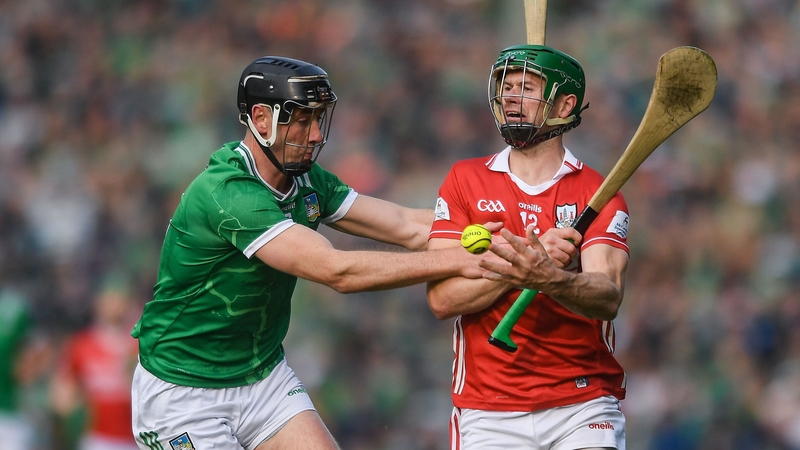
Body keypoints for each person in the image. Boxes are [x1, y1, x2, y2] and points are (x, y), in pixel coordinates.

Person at [130, 55, 490, 450]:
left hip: (262, 377)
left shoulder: (304, 180)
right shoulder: (228, 193)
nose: (317, 134)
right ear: (261, 119)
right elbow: (337, 270)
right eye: (303, 120)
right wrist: (456, 260)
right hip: (183, 390)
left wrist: (508, 233)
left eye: (319, 118)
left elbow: (409, 225)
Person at [427, 44, 630, 450]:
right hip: (488, 409)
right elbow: (442, 299)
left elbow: (607, 297)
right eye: (506, 87)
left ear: (564, 105)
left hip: (583, 402)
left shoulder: (599, 193)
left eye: (526, 88)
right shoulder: (464, 180)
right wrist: (522, 268)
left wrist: (550, 278)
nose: (510, 98)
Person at [51, 281, 140, 450]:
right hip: (98, 437)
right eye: (110, 299)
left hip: (135, 438)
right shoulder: (81, 344)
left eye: (120, 299)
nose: (115, 305)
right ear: (98, 302)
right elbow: (63, 395)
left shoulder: (138, 344)